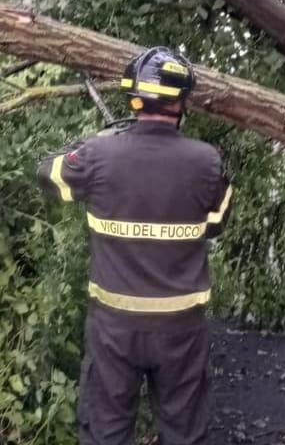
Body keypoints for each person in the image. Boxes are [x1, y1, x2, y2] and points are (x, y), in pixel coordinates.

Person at [36, 46, 233, 445]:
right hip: (181, 329)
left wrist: (93, 144)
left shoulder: (97, 154)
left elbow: (48, 176)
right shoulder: (207, 161)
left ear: (134, 97)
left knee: (106, 429)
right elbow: (215, 224)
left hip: (114, 328)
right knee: (186, 432)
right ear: (180, 101)